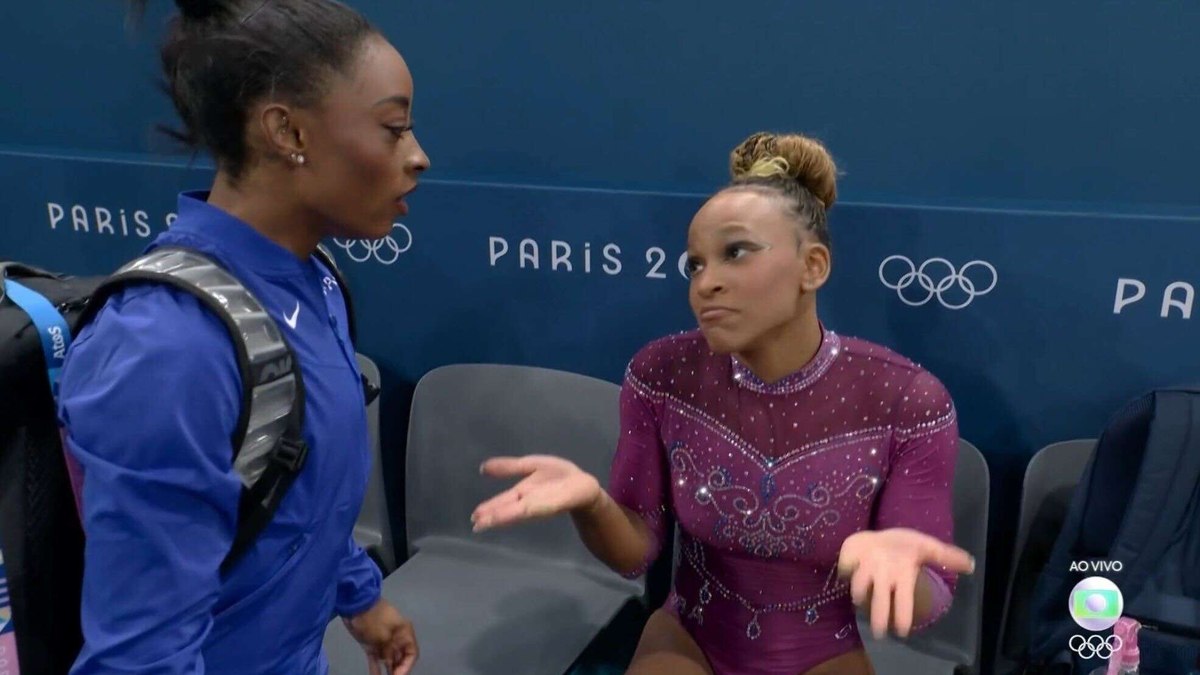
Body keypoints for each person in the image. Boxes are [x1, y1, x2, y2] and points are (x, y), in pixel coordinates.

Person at [472, 131, 974, 674]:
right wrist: (592, 505)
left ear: (814, 267)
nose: (706, 283)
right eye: (695, 264)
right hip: (689, 639)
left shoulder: (906, 401)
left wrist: (885, 575)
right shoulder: (662, 374)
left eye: (736, 252)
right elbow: (634, 552)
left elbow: (931, 596)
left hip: (822, 656)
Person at [57, 1, 428, 673]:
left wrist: (358, 594)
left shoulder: (313, 278)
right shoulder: (166, 345)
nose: (418, 156)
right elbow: (141, 657)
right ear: (286, 131)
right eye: (393, 128)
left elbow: (291, 491)